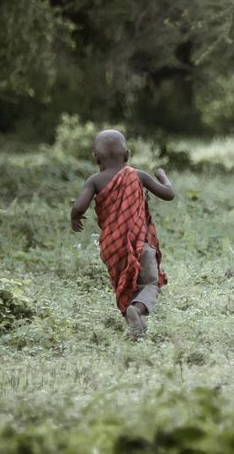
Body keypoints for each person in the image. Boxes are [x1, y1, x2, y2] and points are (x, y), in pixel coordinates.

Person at [70, 128, 174, 338]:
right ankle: (137, 311)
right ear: (127, 155)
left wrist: (74, 217)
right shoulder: (137, 176)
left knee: (126, 285)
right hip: (139, 244)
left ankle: (137, 329)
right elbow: (169, 194)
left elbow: (80, 206)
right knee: (150, 284)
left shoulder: (95, 181)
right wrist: (163, 176)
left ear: (96, 158)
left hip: (112, 248)